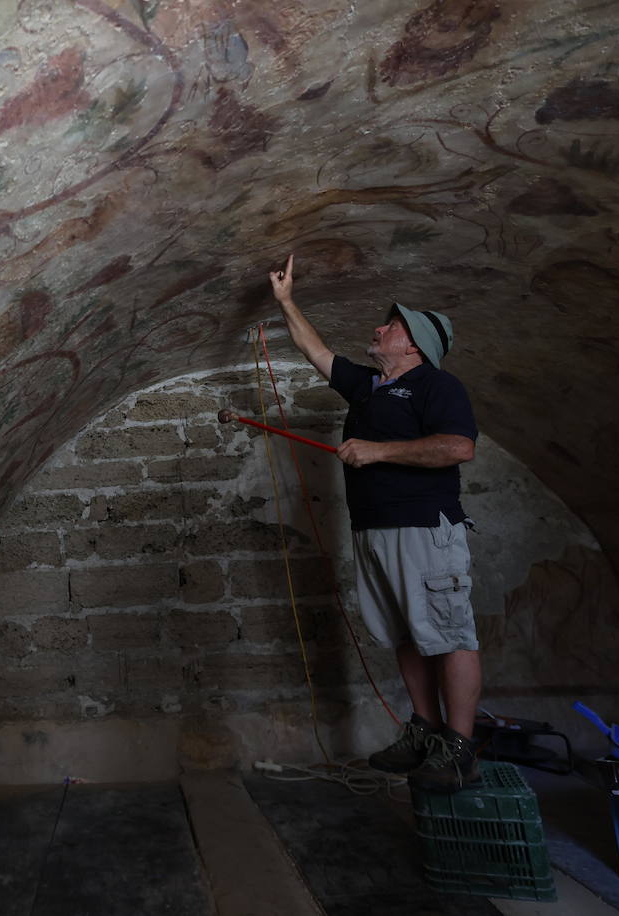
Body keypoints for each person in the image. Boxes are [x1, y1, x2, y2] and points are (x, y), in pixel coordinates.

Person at [268, 253, 482, 792]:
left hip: (423, 529)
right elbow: (314, 350)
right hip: (374, 530)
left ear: (413, 346)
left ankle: (458, 749)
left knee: (449, 635)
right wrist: (286, 301)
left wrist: (380, 452)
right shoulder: (368, 386)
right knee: (407, 633)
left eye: (393, 325)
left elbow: (459, 447)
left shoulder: (438, 386)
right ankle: (424, 730)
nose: (380, 327)